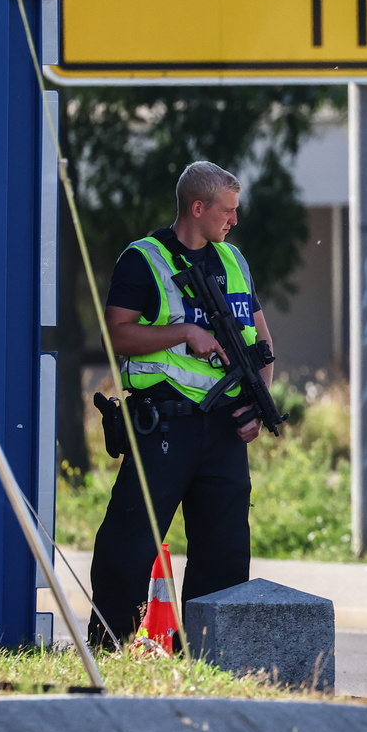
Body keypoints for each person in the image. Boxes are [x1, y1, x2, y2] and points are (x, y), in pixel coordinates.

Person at [86, 161, 273, 650]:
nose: (234, 220)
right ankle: (113, 649)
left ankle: (213, 658)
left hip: (226, 428)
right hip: (165, 425)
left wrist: (258, 405)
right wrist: (186, 332)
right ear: (198, 207)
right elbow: (116, 334)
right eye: (227, 211)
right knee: (129, 544)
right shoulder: (143, 259)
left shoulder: (234, 260)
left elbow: (262, 342)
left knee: (225, 552)